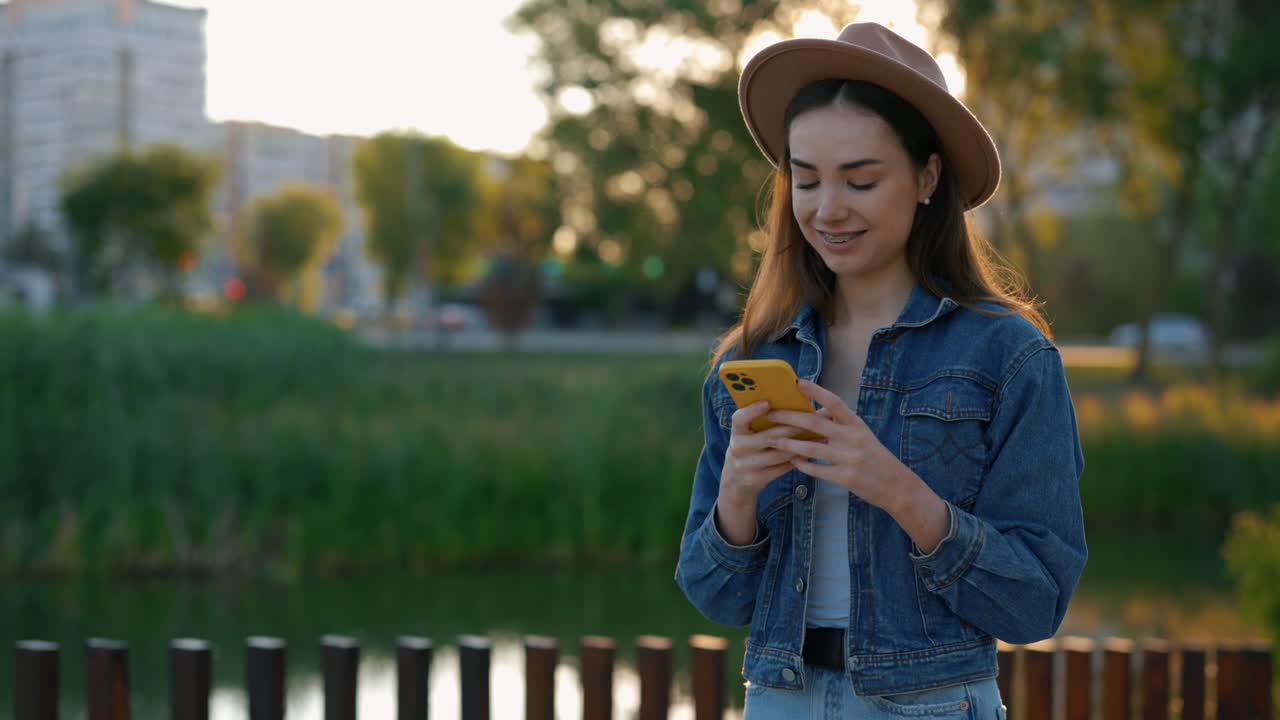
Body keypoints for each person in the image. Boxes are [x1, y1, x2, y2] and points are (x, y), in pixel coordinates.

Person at [675, 22, 1087, 719]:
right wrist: (737, 500)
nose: (828, 209)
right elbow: (715, 595)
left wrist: (899, 491)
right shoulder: (752, 358)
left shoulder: (1008, 355)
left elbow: (1035, 603)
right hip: (779, 700)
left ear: (927, 177)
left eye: (860, 180)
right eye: (806, 180)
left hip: (931, 703)